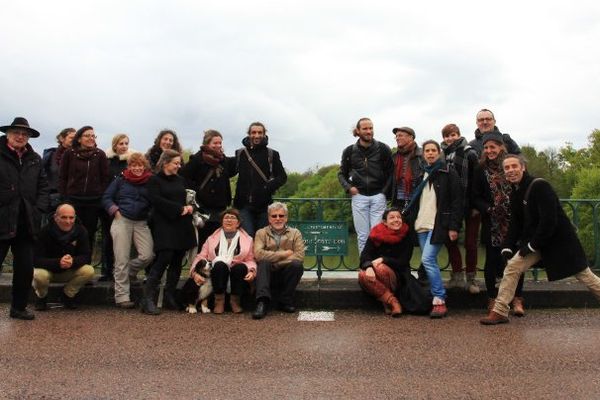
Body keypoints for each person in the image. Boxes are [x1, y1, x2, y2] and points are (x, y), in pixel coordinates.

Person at [481, 154, 600, 325]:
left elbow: (549, 221)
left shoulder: (540, 186)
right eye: (507, 168)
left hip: (559, 243)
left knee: (586, 277)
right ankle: (499, 311)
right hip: (537, 243)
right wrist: (507, 246)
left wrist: (530, 245)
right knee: (513, 267)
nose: (511, 170)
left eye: (514, 166)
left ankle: (499, 311)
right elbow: (515, 223)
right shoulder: (515, 191)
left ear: (523, 168)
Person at [405, 140, 462, 318]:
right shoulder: (421, 173)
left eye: (433, 150)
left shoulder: (448, 172)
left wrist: (454, 226)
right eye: (427, 151)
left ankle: (439, 299)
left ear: (439, 153)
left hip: (438, 225)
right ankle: (433, 295)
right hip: (421, 224)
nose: (430, 153)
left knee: (427, 259)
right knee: (430, 261)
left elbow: (457, 202)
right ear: (423, 154)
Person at [0, 117, 49, 320]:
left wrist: (39, 209)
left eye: (24, 134)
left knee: (25, 270)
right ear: (8, 134)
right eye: (16, 133)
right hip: (2, 219)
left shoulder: (35, 158)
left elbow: (44, 187)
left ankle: (18, 307)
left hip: (26, 221)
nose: (20, 136)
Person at [473, 133, 525, 315]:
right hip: (492, 222)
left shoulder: (511, 165)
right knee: (491, 261)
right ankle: (492, 298)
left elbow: (524, 187)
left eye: (492, 147)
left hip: (515, 221)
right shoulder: (480, 170)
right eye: (486, 148)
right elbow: (475, 196)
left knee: (517, 260)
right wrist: (487, 209)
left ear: (501, 147)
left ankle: (517, 299)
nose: (489, 151)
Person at [141, 149, 196, 315]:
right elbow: (156, 200)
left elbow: (189, 197)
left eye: (179, 163)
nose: (178, 166)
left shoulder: (181, 180)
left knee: (178, 259)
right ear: (165, 163)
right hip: (163, 222)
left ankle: (169, 295)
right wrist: (179, 209)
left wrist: (190, 207)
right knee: (164, 257)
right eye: (176, 163)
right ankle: (148, 299)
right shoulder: (154, 180)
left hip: (181, 224)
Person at [102, 152, 154, 308]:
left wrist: (150, 214)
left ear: (144, 166)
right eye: (134, 165)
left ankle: (131, 271)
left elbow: (155, 200)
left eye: (140, 165)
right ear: (129, 166)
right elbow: (106, 197)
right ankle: (122, 296)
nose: (137, 168)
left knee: (148, 255)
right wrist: (114, 210)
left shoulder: (150, 181)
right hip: (122, 219)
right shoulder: (120, 180)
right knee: (121, 258)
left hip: (141, 221)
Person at [58, 126, 110, 280]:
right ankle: (66, 270)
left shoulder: (99, 154)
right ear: (79, 138)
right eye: (87, 135)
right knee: (68, 236)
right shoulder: (70, 153)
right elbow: (62, 177)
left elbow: (105, 177)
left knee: (87, 237)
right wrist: (65, 198)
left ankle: (84, 273)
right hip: (73, 200)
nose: (91, 138)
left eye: (93, 136)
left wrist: (100, 194)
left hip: (93, 202)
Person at [338, 118, 393, 254]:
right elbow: (341, 173)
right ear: (358, 131)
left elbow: (391, 173)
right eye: (365, 129)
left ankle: (378, 267)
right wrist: (349, 188)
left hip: (378, 196)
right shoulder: (349, 151)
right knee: (363, 236)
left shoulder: (383, 148)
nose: (369, 131)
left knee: (378, 235)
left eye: (371, 128)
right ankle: (365, 267)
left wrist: (384, 192)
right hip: (359, 196)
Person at [440, 123, 481, 294]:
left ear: (459, 135)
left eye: (453, 135)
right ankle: (456, 276)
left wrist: (476, 205)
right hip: (451, 206)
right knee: (450, 241)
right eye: (447, 135)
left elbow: (477, 181)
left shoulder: (469, 153)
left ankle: (471, 279)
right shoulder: (442, 155)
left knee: (471, 243)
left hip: (470, 204)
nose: (450, 138)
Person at [192, 208, 256, 314]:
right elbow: (200, 256)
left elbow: (250, 260)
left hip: (237, 273)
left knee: (240, 267)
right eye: (226, 218)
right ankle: (219, 301)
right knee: (219, 265)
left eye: (232, 218)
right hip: (218, 272)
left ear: (238, 223)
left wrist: (252, 271)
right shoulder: (211, 239)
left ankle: (235, 301)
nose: (229, 220)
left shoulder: (248, 240)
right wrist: (194, 273)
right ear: (222, 222)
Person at [180, 129, 236, 250]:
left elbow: (231, 172)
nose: (218, 145)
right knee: (203, 242)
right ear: (207, 144)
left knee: (217, 242)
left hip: (220, 207)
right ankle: (199, 266)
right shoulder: (197, 159)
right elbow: (184, 177)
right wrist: (196, 192)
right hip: (202, 207)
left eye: (220, 142)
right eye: (215, 143)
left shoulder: (224, 160)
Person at [32, 203, 95, 311]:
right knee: (38, 275)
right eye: (64, 217)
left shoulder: (81, 231)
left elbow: (86, 256)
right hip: (48, 271)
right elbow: (35, 259)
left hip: (69, 269)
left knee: (89, 271)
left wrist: (72, 261)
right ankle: (41, 297)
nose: (68, 221)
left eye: (71, 218)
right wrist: (58, 262)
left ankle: (68, 295)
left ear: (75, 218)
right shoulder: (44, 231)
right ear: (56, 218)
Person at [233, 122, 287, 237]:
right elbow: (228, 171)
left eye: (259, 132)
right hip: (243, 205)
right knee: (247, 237)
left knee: (262, 238)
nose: (256, 135)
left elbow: (282, 177)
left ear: (264, 134)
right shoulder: (240, 153)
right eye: (253, 132)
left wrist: (268, 187)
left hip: (264, 205)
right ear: (249, 134)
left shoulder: (272, 154)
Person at [252, 202, 304, 319]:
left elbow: (299, 256)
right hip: (266, 274)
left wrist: (275, 261)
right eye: (274, 216)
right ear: (269, 218)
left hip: (286, 274)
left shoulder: (296, 233)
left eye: (281, 216)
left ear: (286, 218)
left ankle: (285, 301)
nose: (278, 219)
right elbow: (258, 255)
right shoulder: (261, 233)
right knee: (264, 262)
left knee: (297, 265)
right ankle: (262, 302)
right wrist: (284, 254)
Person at [357, 207, 413, 317]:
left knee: (380, 268)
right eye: (392, 218)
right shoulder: (376, 234)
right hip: (376, 270)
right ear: (384, 222)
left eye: (399, 217)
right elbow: (365, 256)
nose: (396, 220)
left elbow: (403, 261)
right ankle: (392, 302)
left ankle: (387, 302)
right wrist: (368, 267)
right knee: (362, 275)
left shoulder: (406, 234)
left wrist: (383, 259)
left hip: (399, 275)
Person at [42, 127, 76, 214]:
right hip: (53, 199)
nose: (74, 140)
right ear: (61, 138)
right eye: (71, 138)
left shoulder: (78, 156)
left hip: (74, 199)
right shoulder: (50, 156)